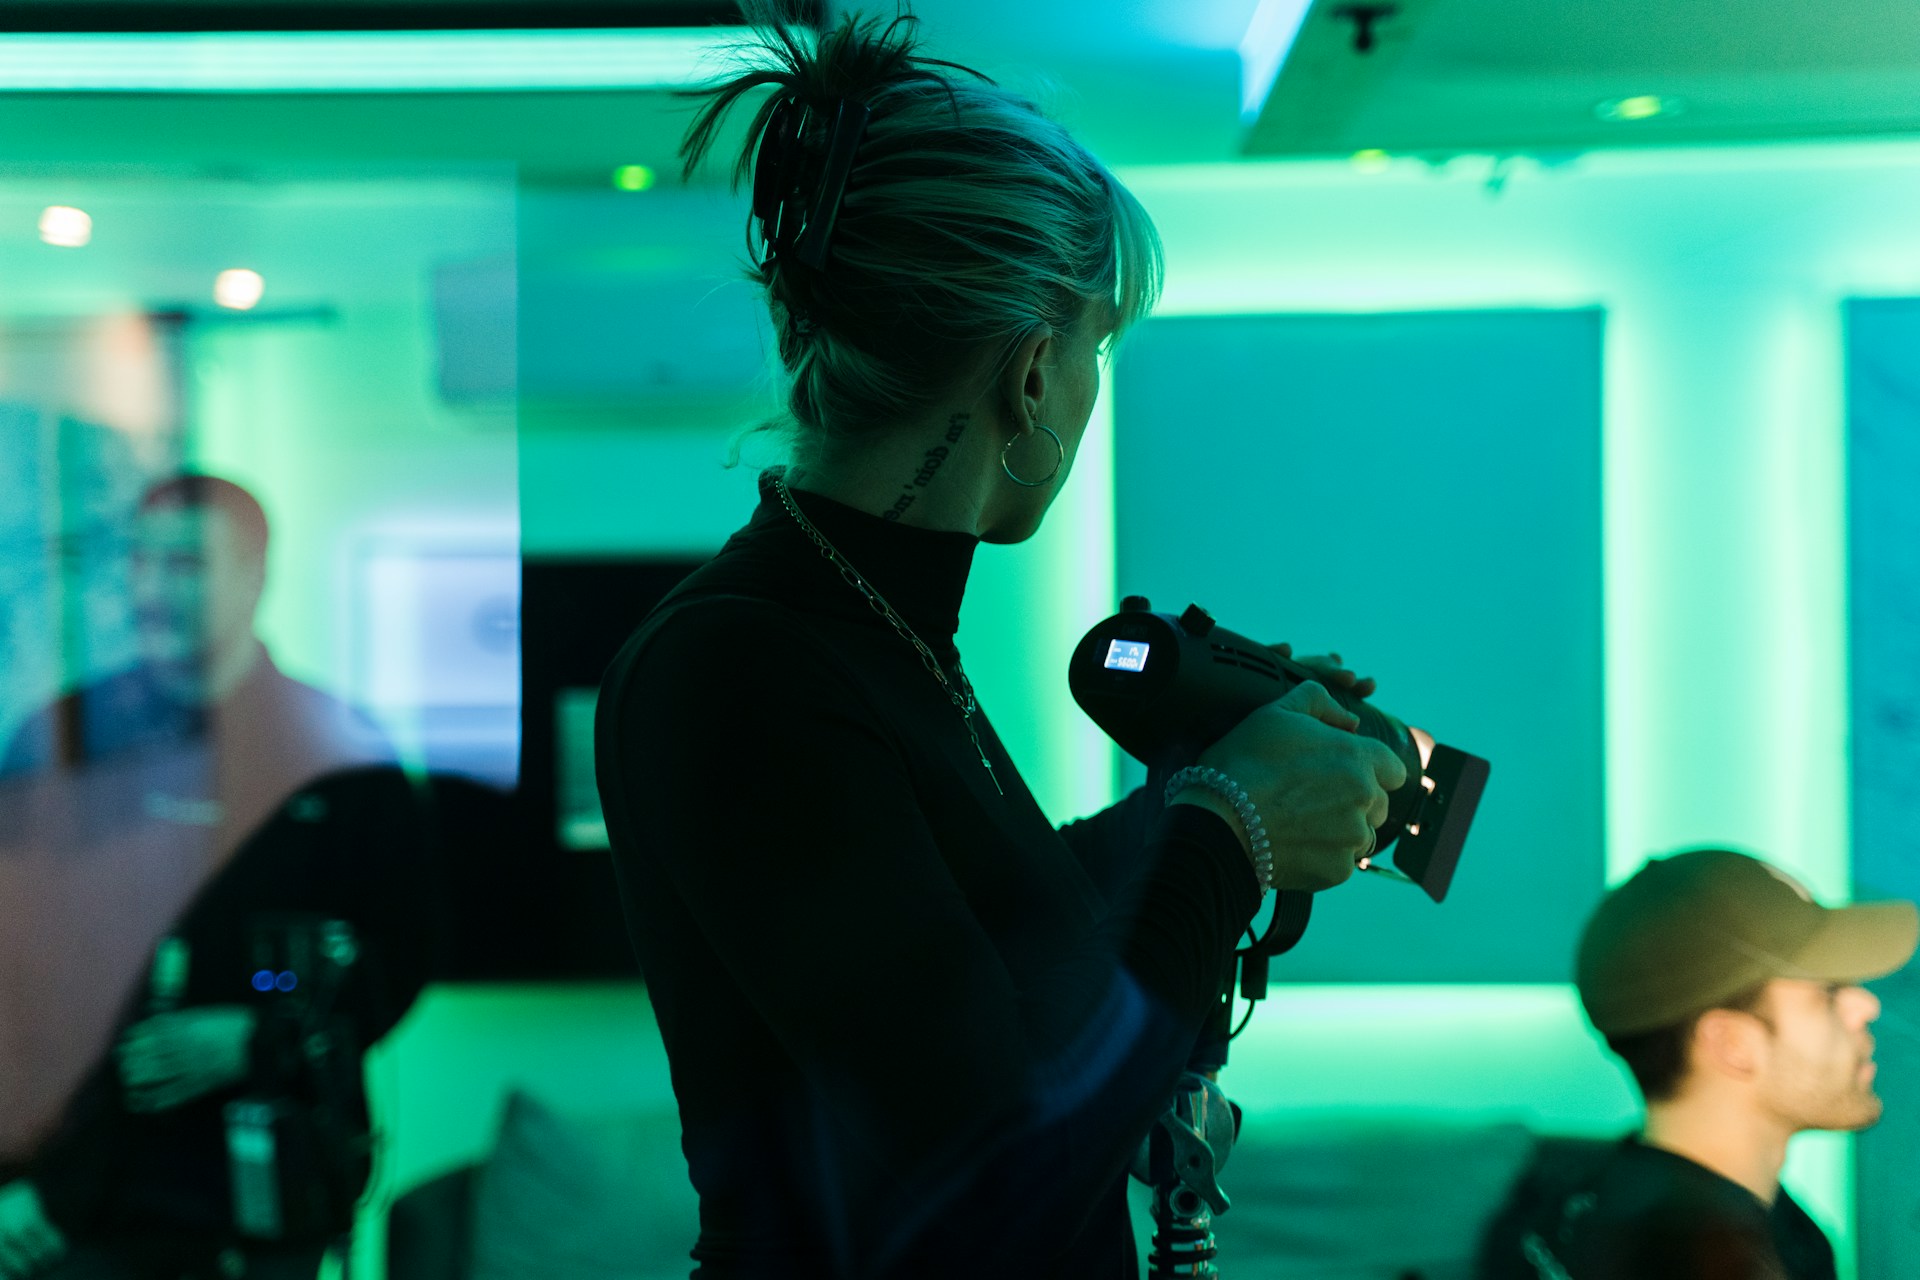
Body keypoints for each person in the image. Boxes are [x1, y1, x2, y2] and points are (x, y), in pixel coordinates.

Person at [593, 7, 1406, 1277]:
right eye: (1095, 350)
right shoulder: (744, 669)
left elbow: (976, 966)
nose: (1089, 391)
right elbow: (991, 1162)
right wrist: (1229, 827)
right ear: (1032, 376)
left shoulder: (859, 635)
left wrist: (1208, 783)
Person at [0, 474, 438, 1279]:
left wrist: (258, 1037)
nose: (155, 590)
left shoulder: (340, 760)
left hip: (270, 1205)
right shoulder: (62, 744)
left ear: (256, 576)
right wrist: (16, 1176)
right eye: (140, 564)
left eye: (187, 565)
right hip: (72, 1211)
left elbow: (401, 958)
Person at [1478, 848, 1919, 1280]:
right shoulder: (1708, 1260)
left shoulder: (1592, 1207)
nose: (1865, 1006)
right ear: (1731, 1044)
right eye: (1826, 993)